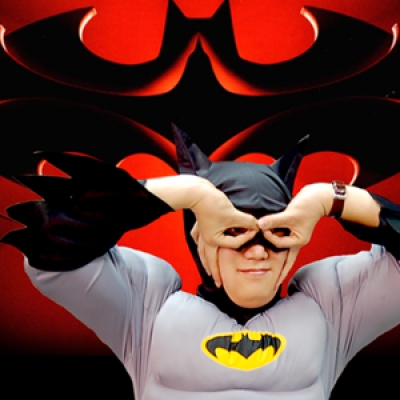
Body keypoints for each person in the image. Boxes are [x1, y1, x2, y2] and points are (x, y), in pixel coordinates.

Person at [1, 125, 400, 399]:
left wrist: (329, 199)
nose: (257, 251)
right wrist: (191, 194)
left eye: (278, 232)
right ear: (198, 238)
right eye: (234, 232)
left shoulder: (331, 305)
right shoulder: (146, 304)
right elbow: (52, 246)